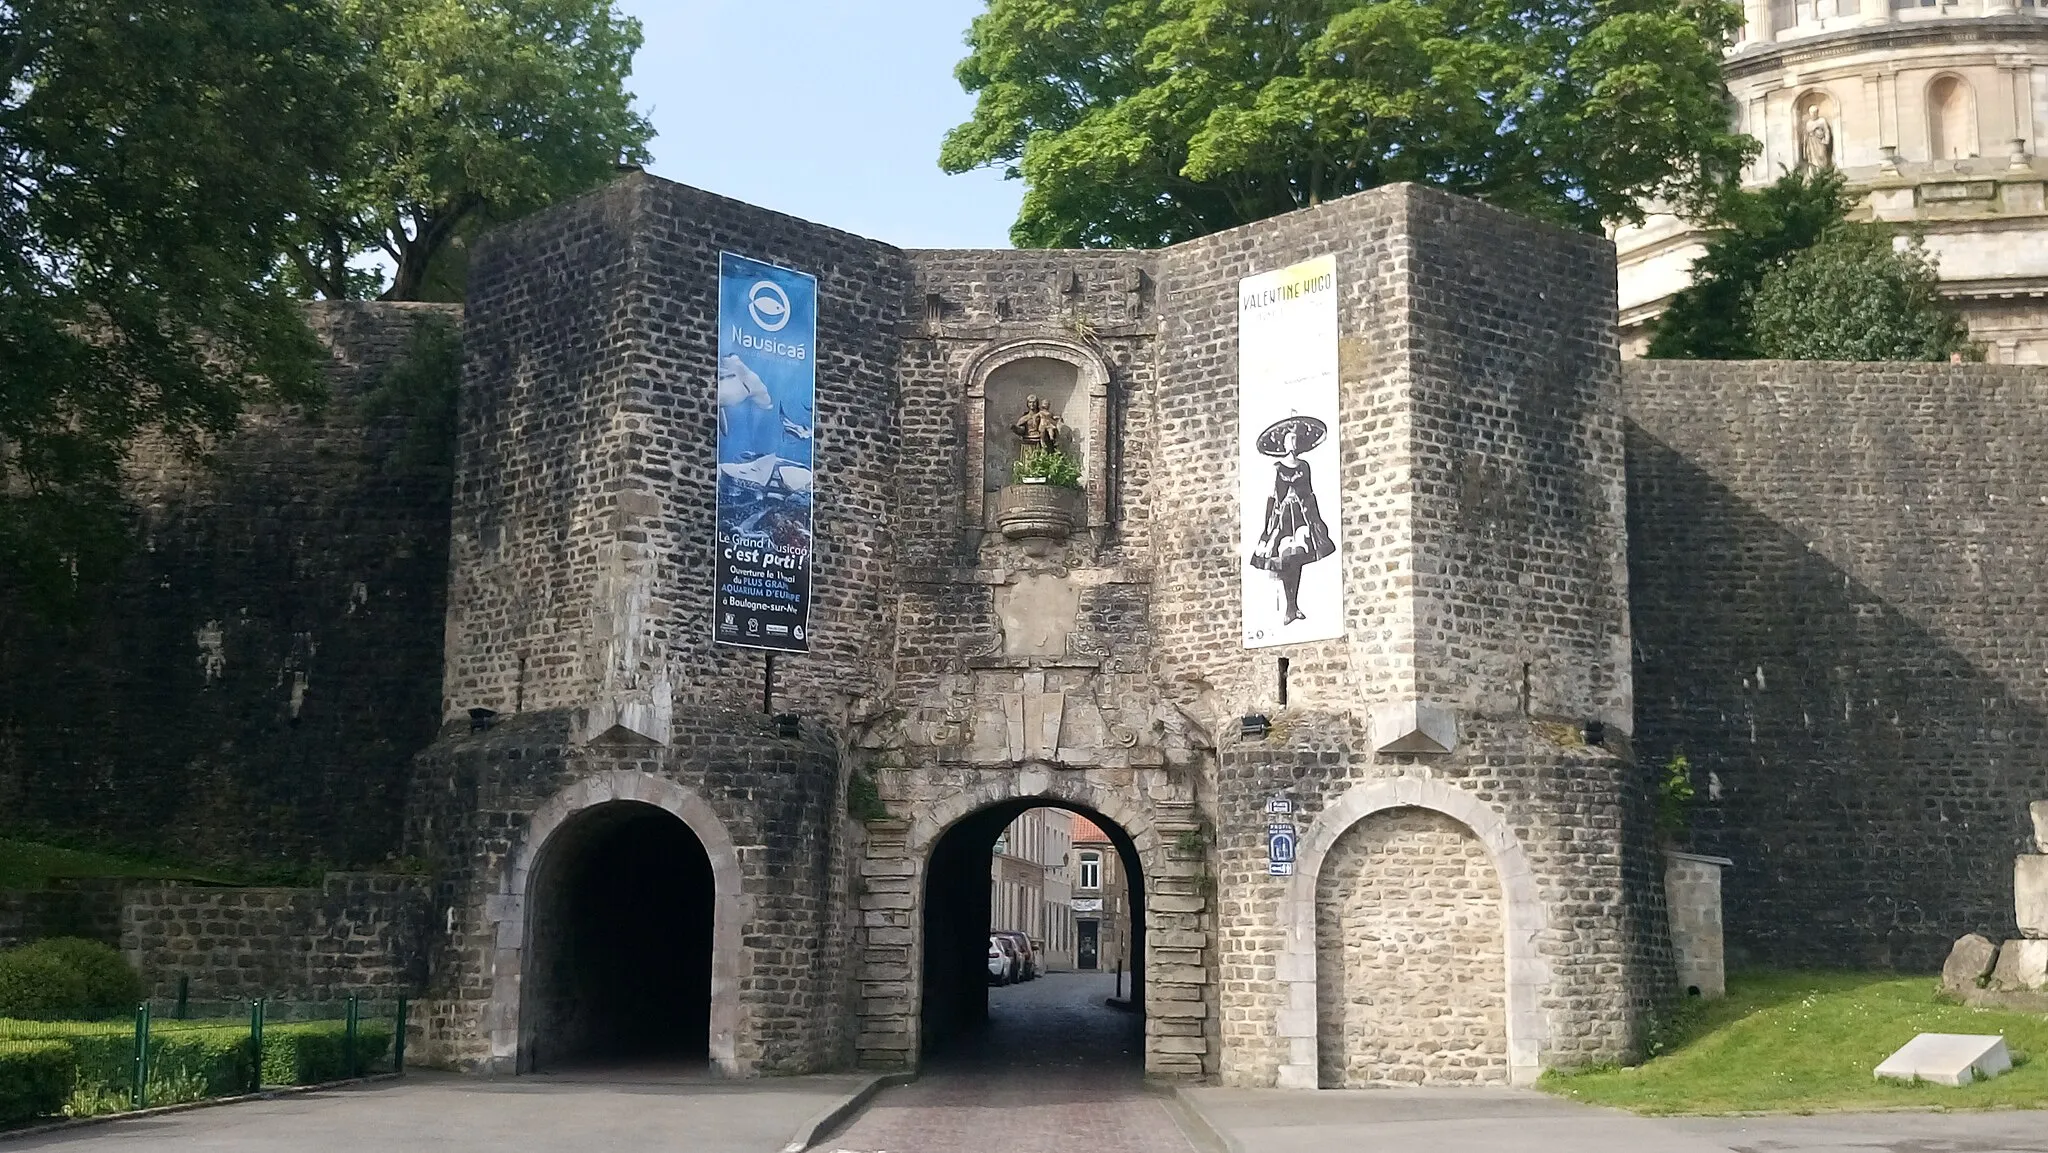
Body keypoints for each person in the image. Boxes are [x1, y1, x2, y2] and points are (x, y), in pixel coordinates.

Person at [1249, 417, 1336, 624]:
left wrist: (1316, 521)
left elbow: (1309, 493)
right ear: (1283, 444)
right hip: (1282, 520)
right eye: (1290, 440)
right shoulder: (1277, 468)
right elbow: (1271, 496)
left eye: (1296, 439)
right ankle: (1290, 607)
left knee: (1297, 560)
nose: (1293, 444)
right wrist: (1268, 527)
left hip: (1301, 518)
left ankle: (1294, 606)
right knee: (1284, 561)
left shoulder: (1304, 466)